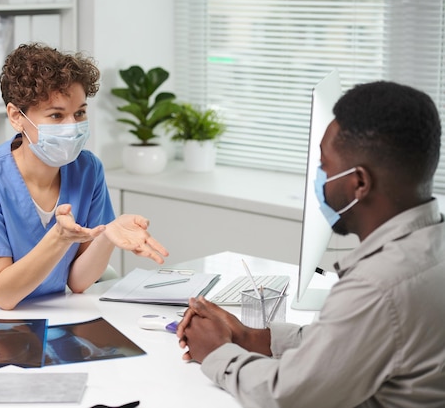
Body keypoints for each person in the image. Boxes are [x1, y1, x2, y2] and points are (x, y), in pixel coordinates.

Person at [176, 81, 445, 407]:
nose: (319, 177)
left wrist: (219, 353)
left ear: (359, 182)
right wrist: (251, 337)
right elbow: (348, 343)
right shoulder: (430, 246)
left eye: (325, 165)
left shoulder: (377, 285)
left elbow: (288, 395)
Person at [0, 43, 168, 318]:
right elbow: (4, 294)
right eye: (56, 115)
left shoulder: (87, 169)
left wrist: (107, 236)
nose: (71, 126)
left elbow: (78, 281)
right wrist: (59, 238)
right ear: (17, 117)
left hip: (49, 317)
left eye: (80, 113)